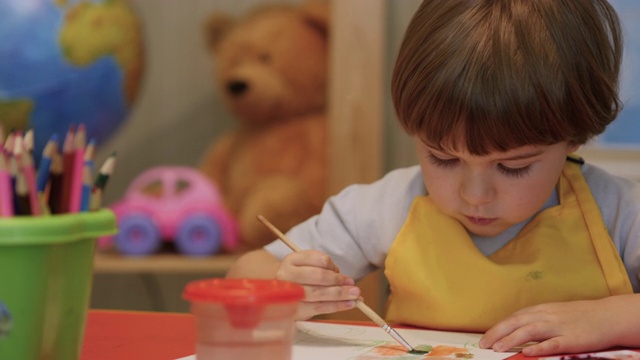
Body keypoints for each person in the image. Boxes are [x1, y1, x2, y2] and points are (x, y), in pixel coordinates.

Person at [226, 0, 640, 356]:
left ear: (574, 137)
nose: (474, 195)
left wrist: (611, 317)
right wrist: (281, 288)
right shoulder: (389, 205)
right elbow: (242, 276)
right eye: (442, 158)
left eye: (513, 167)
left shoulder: (618, 211)